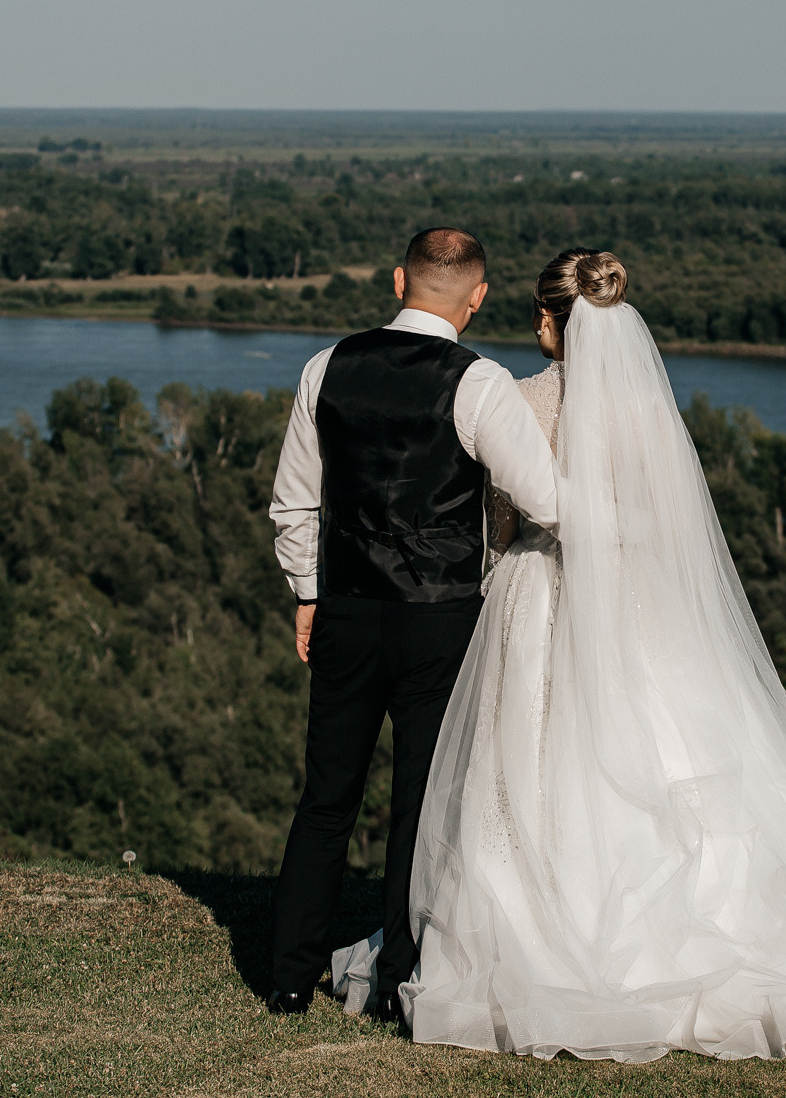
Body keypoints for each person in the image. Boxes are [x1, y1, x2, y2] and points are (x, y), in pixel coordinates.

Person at [336, 248, 786, 1061]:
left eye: (539, 316)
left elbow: (502, 523)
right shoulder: (651, 411)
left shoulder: (523, 397)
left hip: (540, 594)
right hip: (644, 611)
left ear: (551, 322)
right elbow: (666, 523)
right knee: (671, 751)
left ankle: (535, 939)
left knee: (531, 771)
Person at [266, 226, 558, 1021]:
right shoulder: (481, 382)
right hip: (441, 620)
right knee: (421, 803)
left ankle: (290, 974)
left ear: (399, 280)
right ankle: (398, 974)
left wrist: (308, 590)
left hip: (349, 611)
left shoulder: (326, 366)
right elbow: (546, 498)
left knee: (327, 794)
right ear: (477, 297)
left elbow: (295, 499)